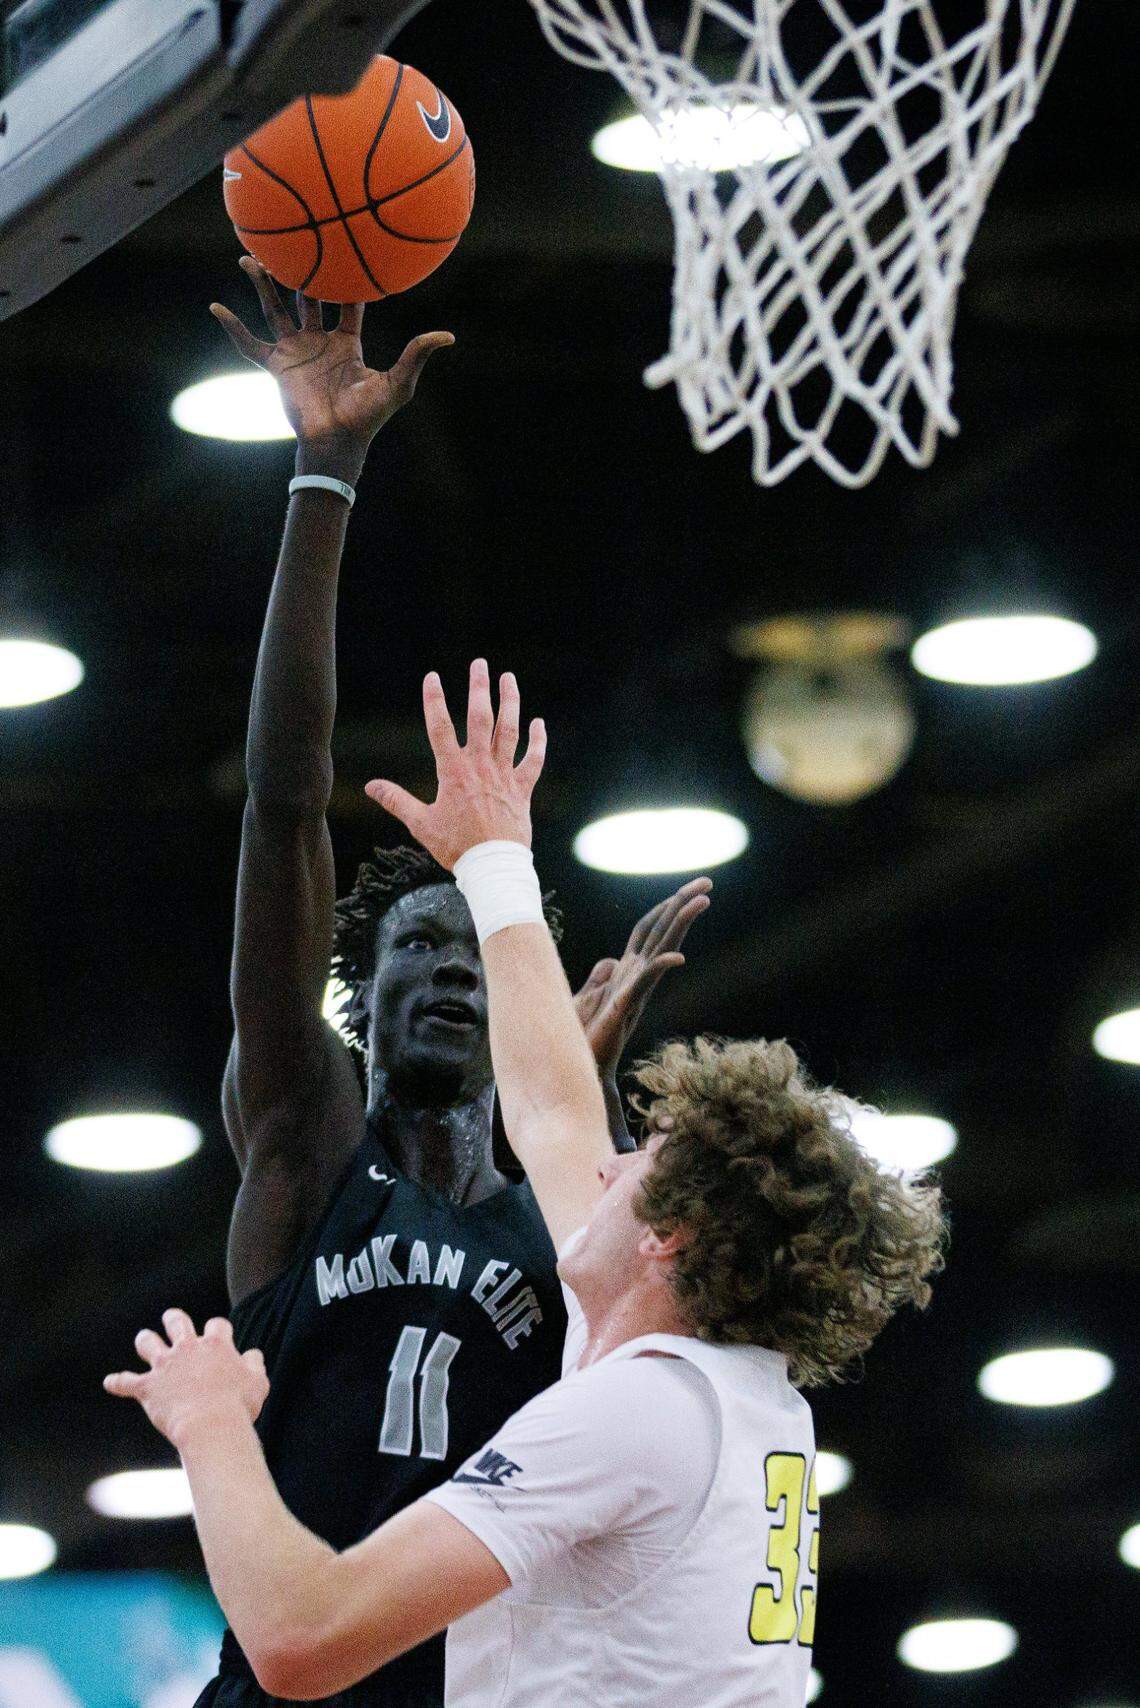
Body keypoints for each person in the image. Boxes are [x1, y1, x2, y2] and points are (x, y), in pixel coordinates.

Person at [107, 661, 947, 1708]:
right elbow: (550, 1110)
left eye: (642, 1160)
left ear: (671, 1236)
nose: (606, 1157)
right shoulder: (727, 1383)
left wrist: (211, 1422)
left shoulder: (636, 1413)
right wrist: (495, 857)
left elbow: (300, 1635)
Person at [197, 265, 712, 1708]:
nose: (445, 976)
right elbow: (284, 803)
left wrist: (585, 1094)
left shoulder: (582, 1237)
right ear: (354, 995)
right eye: (409, 956)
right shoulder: (306, 1154)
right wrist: (324, 478)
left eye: (470, 954)